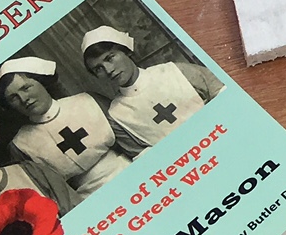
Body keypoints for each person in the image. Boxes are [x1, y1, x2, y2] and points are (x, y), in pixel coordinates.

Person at [0, 55, 138, 198]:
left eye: (26, 88)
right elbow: (49, 191)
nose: (24, 99)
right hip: (86, 199)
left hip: (130, 172)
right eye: (13, 98)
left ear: (42, 82)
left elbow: (134, 143)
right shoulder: (20, 145)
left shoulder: (87, 101)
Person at [80, 24, 222, 146]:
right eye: (98, 69)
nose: (108, 70)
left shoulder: (175, 71)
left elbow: (224, 95)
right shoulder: (117, 117)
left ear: (126, 51)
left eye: (110, 58)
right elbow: (147, 160)